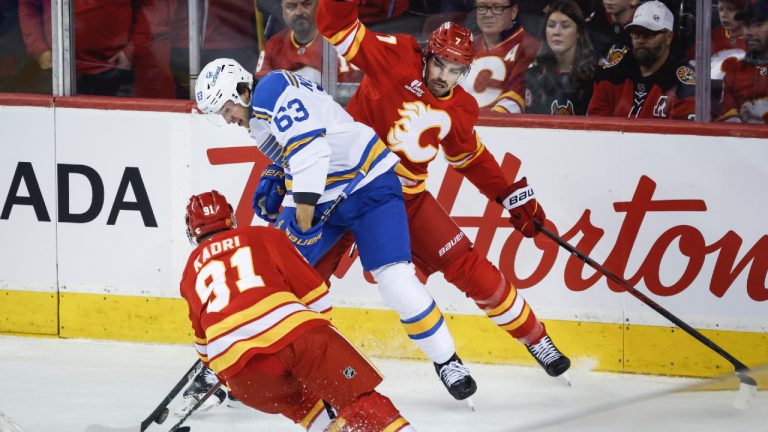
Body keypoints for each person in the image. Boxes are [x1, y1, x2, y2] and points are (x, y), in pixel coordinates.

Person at [194, 58, 478, 402]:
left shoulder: (269, 90)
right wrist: (281, 175)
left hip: (369, 182)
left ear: (243, 91)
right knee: (277, 280)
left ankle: (448, 361)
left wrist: (303, 208)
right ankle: (252, 357)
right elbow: (299, 150)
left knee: (395, 280)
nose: (227, 118)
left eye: (226, 109)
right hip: (328, 192)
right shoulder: (258, 116)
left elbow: (311, 150)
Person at [315, 2, 571, 382]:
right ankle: (263, 346)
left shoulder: (461, 107)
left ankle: (535, 338)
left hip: (406, 201)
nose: (444, 76)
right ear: (427, 55)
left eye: (455, 70)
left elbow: (470, 159)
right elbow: (334, 23)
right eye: (440, 65)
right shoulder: (396, 56)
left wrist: (511, 197)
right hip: (346, 191)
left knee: (469, 266)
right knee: (305, 274)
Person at [180, 190, 415, 431]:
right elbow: (317, 297)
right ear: (231, 217)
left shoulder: (189, 272)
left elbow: (205, 351)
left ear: (192, 230)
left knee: (303, 404)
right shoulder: (262, 235)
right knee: (358, 401)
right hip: (297, 338)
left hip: (242, 375)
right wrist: (319, 352)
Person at [587, 1, 696, 119]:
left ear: (668, 37)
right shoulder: (611, 75)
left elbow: (682, 135)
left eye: (648, 34)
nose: (640, 40)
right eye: (636, 33)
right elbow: (596, 128)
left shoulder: (682, 85)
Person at [18, 0, 137, 96]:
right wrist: (39, 49)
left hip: (115, 70)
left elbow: (148, 7)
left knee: (113, 124)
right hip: (56, 73)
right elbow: (28, 6)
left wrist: (131, 49)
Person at [255, 0, 363, 85]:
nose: (299, 12)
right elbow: (264, 88)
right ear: (282, 10)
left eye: (306, 4)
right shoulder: (273, 45)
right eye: (291, 6)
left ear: (318, 4)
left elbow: (350, 93)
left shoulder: (341, 40)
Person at [463, 0, 541, 113]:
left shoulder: (529, 47)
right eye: (482, 7)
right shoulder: (466, 46)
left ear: (513, 11)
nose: (488, 14)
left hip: (497, 127)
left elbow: (515, 100)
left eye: (497, 7)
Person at [524, 0, 595, 115]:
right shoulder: (534, 75)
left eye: (565, 26)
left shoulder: (593, 75)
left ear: (579, 32)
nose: (556, 32)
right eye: (551, 25)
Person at [718, 0, 768, 123]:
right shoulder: (735, 72)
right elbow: (729, 126)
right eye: (746, 24)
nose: (750, 32)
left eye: (758, 24)